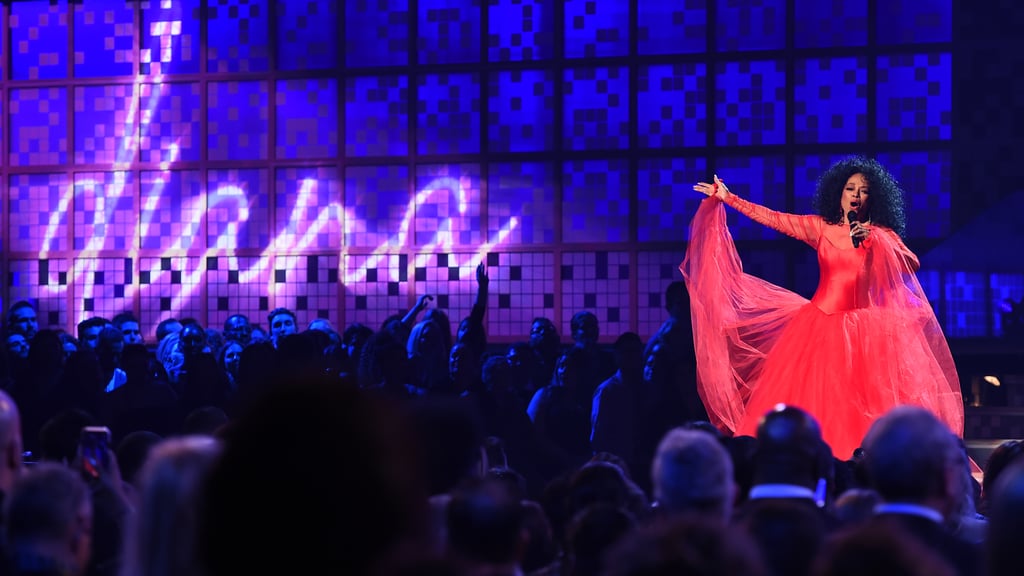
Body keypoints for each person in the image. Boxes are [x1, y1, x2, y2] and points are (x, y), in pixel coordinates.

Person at [683, 157, 963, 460]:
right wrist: (731, 198)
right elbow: (774, 218)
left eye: (864, 190)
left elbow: (910, 264)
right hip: (818, 326)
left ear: (874, 197)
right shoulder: (821, 228)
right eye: (850, 188)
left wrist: (875, 240)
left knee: (861, 411)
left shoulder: (882, 236)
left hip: (865, 334)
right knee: (814, 403)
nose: (855, 195)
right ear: (839, 192)